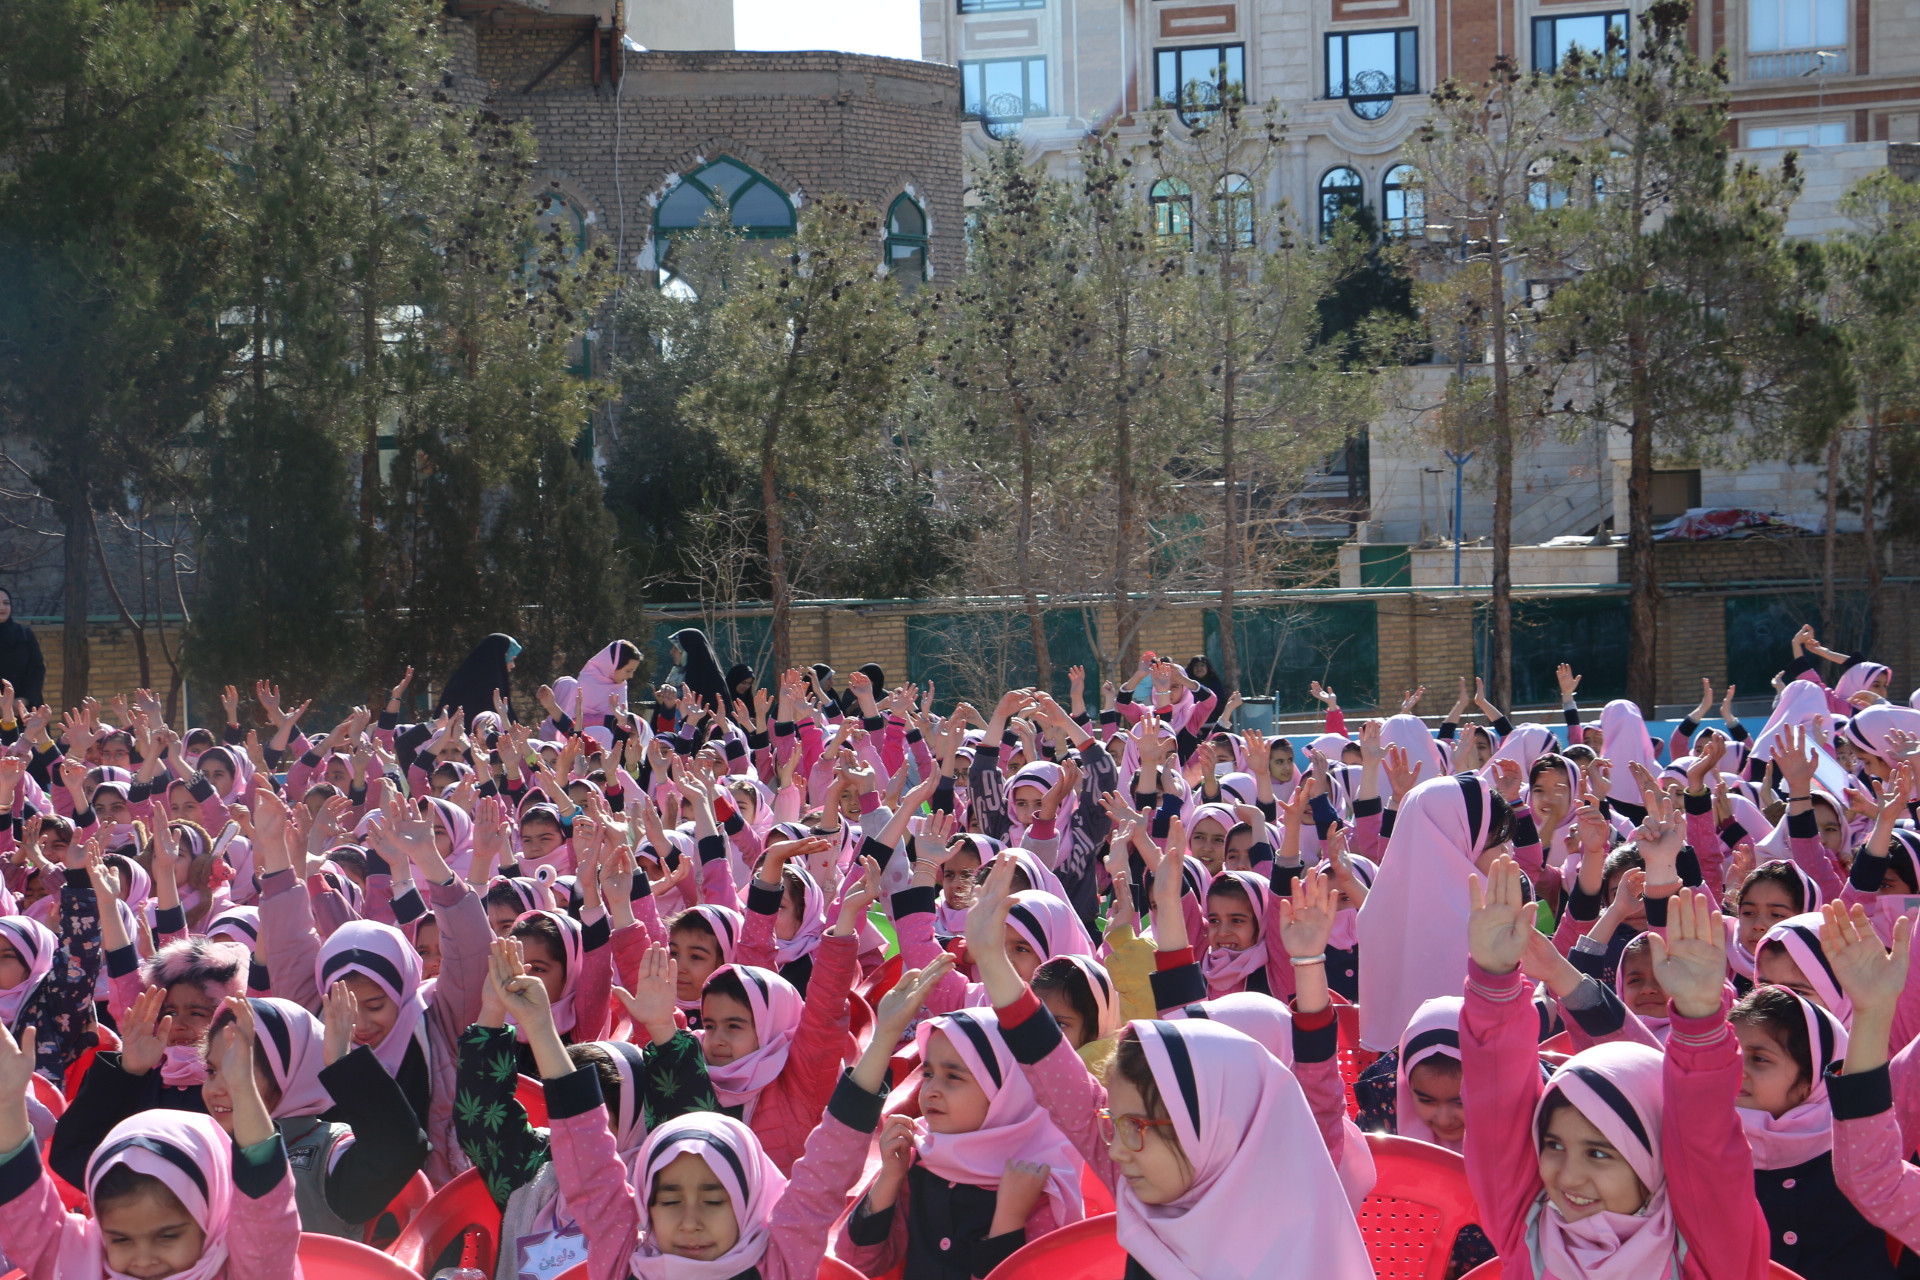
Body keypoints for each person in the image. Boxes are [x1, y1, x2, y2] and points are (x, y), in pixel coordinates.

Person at [501, 939, 942, 1280]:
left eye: (714, 1200)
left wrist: (884, 1038)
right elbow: (589, 1158)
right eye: (669, 1200)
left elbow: (829, 1166)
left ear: (749, 1202)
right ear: (645, 1208)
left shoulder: (779, 1260)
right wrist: (541, 1030)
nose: (690, 1222)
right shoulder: (624, 1258)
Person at [1461, 855, 1770, 1280]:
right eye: (1553, 1145)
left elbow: (1707, 1145)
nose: (1568, 1175)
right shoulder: (1529, 1228)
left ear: (1654, 1154)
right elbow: (1497, 1108)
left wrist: (1700, 1021)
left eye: (1600, 1153)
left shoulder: (1703, 1251)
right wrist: (1493, 978)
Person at [0, 1014, 300, 1280]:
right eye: (120, 1240)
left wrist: (244, 1091)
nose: (144, 1261)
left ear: (211, 1217)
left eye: (168, 1236)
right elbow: (27, 1213)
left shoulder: (249, 1269)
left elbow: (267, 1211)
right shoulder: (74, 1264)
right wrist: (8, 1104)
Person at [438, 633, 520, 725]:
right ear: (500, 657)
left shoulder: (462, 680)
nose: (513, 665)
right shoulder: (487, 687)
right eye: (511, 659)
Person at [0, 589, 44, 709]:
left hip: (26, 708)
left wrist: (24, 699)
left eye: (6, 603)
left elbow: (37, 669)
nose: (2, 607)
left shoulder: (24, 633)